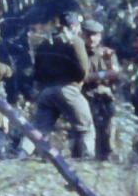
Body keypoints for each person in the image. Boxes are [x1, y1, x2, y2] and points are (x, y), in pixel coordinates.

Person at [30, 11, 95, 159]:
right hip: (68, 89)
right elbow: (83, 70)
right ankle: (88, 157)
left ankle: (23, 152)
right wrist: (78, 81)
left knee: (38, 129)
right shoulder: (75, 41)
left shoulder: (45, 43)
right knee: (86, 127)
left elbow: (36, 72)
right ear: (72, 26)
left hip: (46, 91)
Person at [81, 19, 123, 162]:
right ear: (83, 35)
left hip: (104, 94)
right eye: (88, 35)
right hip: (86, 94)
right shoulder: (79, 52)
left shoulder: (107, 53)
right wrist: (103, 74)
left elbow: (116, 72)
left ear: (100, 36)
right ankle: (87, 155)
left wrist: (97, 75)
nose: (92, 39)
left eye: (96, 35)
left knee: (108, 126)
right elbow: (82, 77)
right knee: (88, 126)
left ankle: (106, 156)